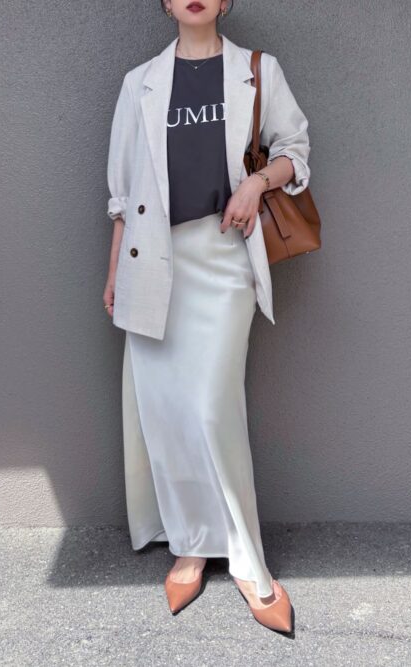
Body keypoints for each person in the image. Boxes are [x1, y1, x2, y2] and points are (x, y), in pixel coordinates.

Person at [104, 0, 311, 634]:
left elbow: (295, 151)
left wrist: (255, 183)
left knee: (211, 409)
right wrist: (114, 275)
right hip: (152, 260)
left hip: (223, 258)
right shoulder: (139, 82)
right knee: (167, 414)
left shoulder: (257, 69)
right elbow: (123, 194)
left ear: (224, 2)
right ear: (165, 3)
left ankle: (248, 560)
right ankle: (191, 545)